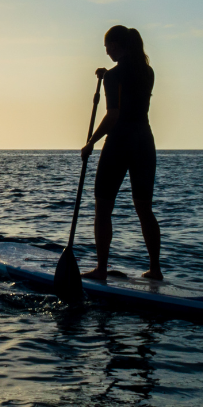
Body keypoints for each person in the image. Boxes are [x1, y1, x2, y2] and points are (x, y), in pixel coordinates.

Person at [81, 26, 161, 281]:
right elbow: (131, 90)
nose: (106, 52)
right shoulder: (147, 71)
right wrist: (108, 76)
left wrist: (91, 141)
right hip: (144, 142)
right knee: (144, 209)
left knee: (103, 208)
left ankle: (101, 268)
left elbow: (114, 114)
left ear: (115, 45)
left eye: (107, 47)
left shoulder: (113, 76)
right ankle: (155, 270)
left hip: (120, 143)